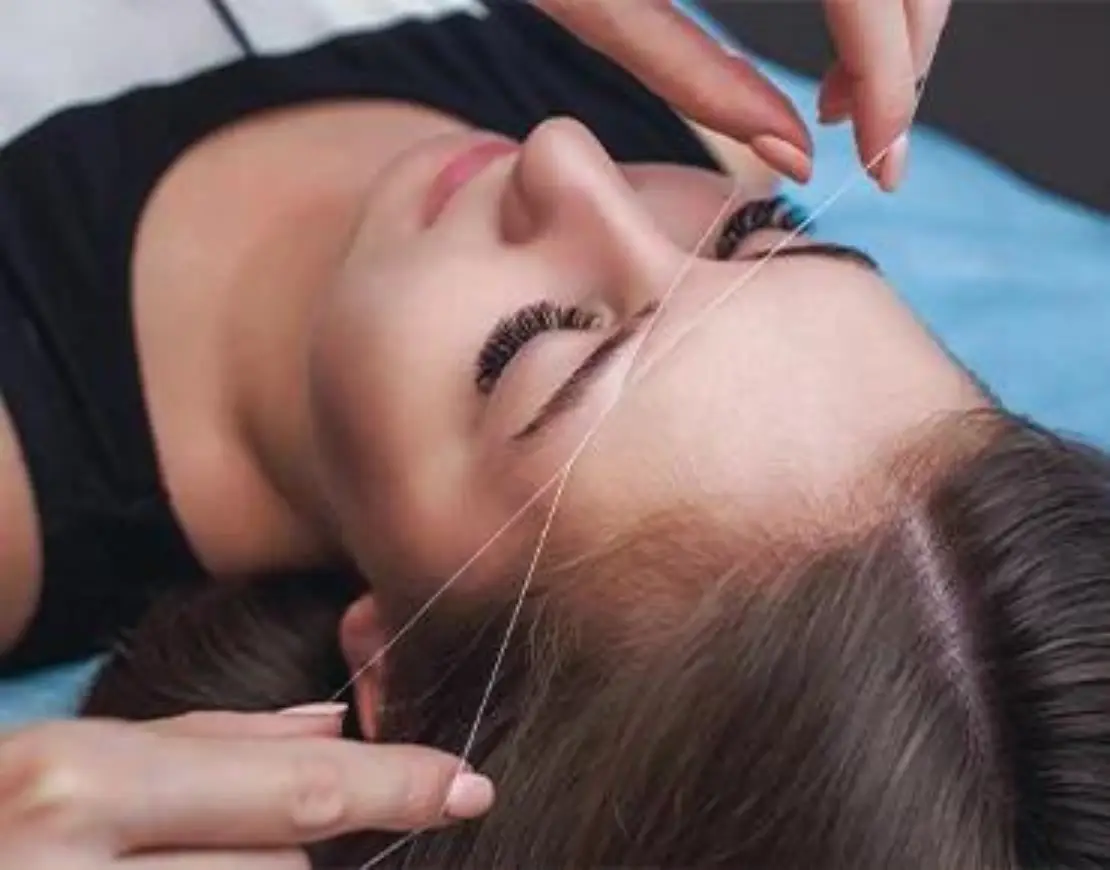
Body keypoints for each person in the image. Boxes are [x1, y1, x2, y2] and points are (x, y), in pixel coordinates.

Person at [0, 0, 1000, 867]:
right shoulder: (692, 124)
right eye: (760, 237)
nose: (568, 156)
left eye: (540, 344)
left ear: (390, 670)